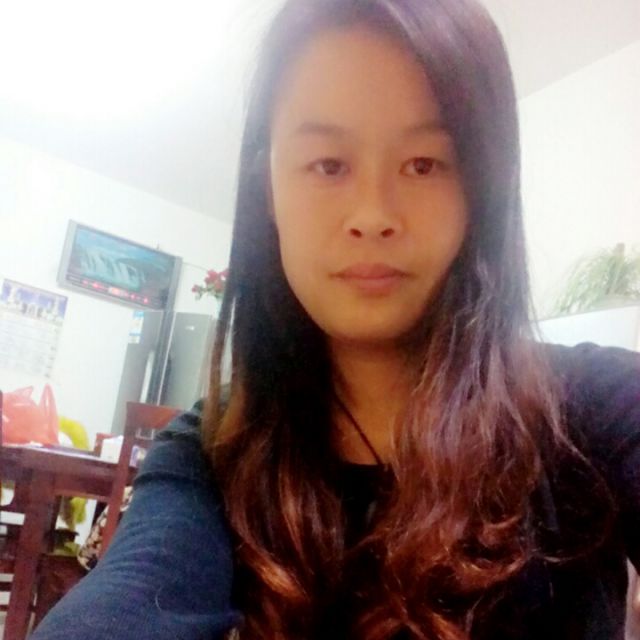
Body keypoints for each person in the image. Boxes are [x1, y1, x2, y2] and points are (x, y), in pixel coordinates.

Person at [32, 0, 640, 638]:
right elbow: (134, 596)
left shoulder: (590, 413)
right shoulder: (216, 452)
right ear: (269, 190)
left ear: (480, 190)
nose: (373, 214)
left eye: (424, 163)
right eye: (328, 164)